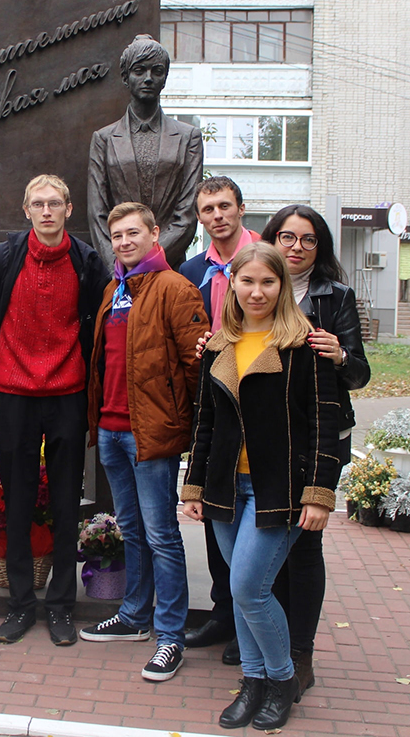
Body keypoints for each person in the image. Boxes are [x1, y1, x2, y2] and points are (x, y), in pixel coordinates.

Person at [182, 242, 340, 731]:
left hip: (280, 491)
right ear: (234, 285)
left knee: (250, 587)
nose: (257, 291)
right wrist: (194, 488)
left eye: (268, 282)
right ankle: (252, 682)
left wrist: (318, 494)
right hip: (228, 488)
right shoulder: (218, 345)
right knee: (239, 584)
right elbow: (205, 424)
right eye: (247, 282)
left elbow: (324, 426)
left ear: (282, 286)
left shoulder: (304, 345)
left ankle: (282, 681)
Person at [0, 174, 111, 646]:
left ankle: (61, 606)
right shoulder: (4, 258)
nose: (47, 211)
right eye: (38, 204)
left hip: (67, 395)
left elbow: (95, 325)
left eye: (55, 203)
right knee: (17, 500)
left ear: (69, 209)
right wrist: (4, 377)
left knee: (66, 501)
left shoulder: (86, 261)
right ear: (26, 209)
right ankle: (19, 605)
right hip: (15, 397)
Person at [80, 202, 208, 682]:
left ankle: (169, 636)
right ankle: (134, 615)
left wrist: (194, 432)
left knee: (161, 535)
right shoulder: (114, 289)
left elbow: (197, 367)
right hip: (111, 431)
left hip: (151, 434)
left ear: (155, 234)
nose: (124, 241)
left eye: (134, 233)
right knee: (131, 529)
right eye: (117, 235)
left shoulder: (176, 289)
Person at [261, 203, 370, 696]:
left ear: (319, 247)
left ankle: (300, 652)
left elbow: (360, 375)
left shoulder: (336, 297)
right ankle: (272, 643)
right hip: (266, 439)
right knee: (269, 547)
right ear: (273, 240)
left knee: (304, 544)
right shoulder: (256, 287)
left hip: (321, 438)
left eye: (307, 240)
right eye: (288, 237)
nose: (297, 247)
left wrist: (340, 354)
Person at [177, 176, 259, 659]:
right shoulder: (192, 270)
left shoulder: (265, 259)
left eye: (225, 206)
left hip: (261, 400)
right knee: (215, 515)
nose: (217, 217)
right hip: (215, 404)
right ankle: (223, 615)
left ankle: (254, 621)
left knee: (258, 522)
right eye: (208, 210)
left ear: (241, 209)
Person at [88, 34, 203, 270]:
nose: (148, 79)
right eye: (139, 71)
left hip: (168, 267)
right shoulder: (104, 139)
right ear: (126, 77)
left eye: (156, 71)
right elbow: (97, 213)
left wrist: (149, 263)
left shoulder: (188, 137)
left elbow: (187, 214)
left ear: (164, 78)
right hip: (118, 271)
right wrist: (117, 267)